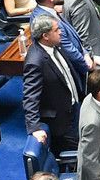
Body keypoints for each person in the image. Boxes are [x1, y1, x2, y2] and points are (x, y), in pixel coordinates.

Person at [21, 16, 84, 147]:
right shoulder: (35, 62)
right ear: (45, 36)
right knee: (78, 151)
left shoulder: (55, 45)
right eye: (56, 30)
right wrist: (34, 127)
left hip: (73, 107)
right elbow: (30, 97)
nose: (60, 32)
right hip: (62, 121)